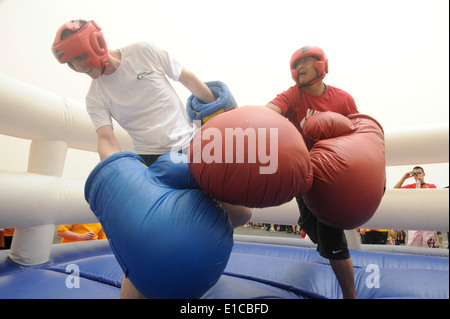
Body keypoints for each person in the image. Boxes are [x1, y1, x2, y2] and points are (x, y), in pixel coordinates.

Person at [52, 19, 251, 298]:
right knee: (142, 255)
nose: (80, 68)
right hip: (153, 165)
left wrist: (220, 111)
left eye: (81, 58)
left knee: (242, 213)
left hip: (190, 150)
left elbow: (187, 77)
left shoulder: (142, 51)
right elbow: (106, 139)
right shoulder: (95, 95)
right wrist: (118, 176)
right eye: (73, 63)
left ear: (97, 43)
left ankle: (198, 240)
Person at [265, 45, 359, 299]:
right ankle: (329, 247)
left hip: (332, 174)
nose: (300, 67)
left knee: (331, 238)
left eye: (307, 61)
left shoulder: (342, 99)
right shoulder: (293, 95)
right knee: (311, 226)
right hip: (304, 173)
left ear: (321, 65)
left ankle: (351, 296)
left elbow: (359, 135)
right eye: (297, 64)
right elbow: (269, 111)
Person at [394, 166, 438, 248]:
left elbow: (433, 196)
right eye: (415, 173)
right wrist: (404, 177)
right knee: (412, 245)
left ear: (424, 174)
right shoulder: (410, 186)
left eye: (419, 173)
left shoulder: (431, 186)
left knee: (429, 245)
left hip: (429, 220)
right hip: (414, 219)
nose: (417, 175)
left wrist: (422, 182)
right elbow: (395, 190)